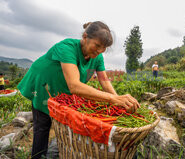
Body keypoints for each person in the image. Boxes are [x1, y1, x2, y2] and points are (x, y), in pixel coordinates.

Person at [17, 21, 140, 159]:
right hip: (44, 83)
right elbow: (74, 86)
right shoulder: (67, 47)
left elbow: (104, 81)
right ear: (85, 37)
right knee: (43, 125)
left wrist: (119, 100)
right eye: (97, 45)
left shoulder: (97, 57)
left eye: (104, 48)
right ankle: (38, 156)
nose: (100, 51)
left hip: (63, 89)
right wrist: (113, 99)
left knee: (66, 121)